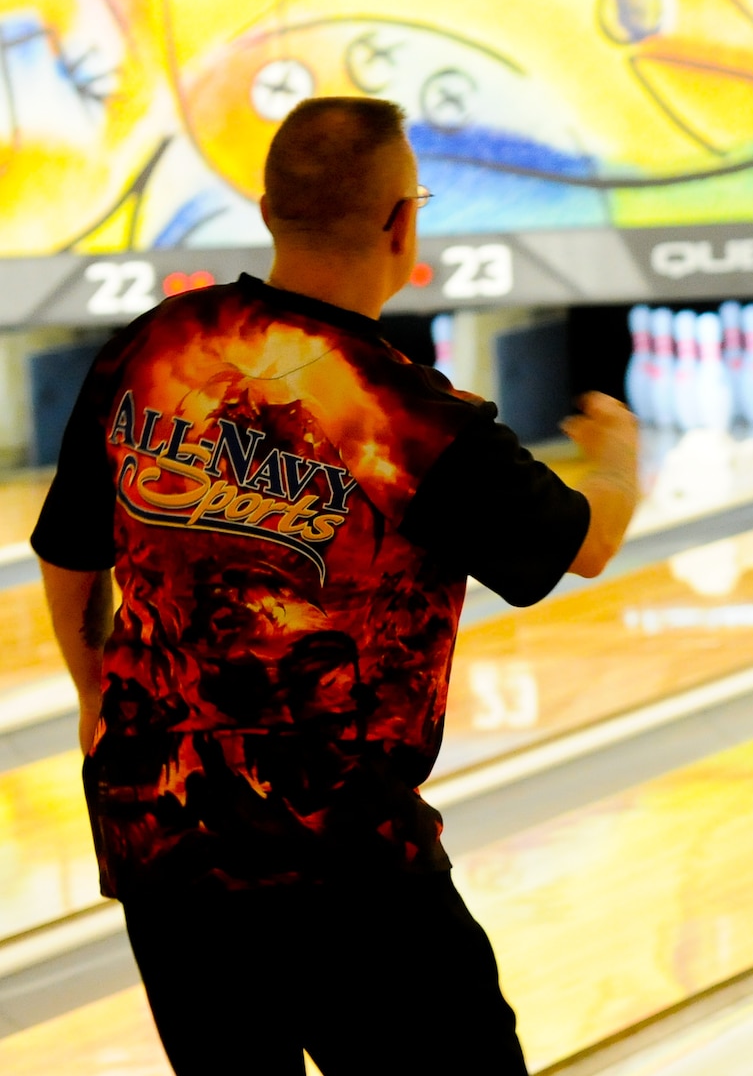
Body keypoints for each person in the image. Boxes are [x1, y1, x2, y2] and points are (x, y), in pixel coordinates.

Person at [31, 96, 639, 1076]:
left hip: (159, 840)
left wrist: (95, 691)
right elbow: (585, 542)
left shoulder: (154, 346)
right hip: (347, 867)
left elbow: (67, 549)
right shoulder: (409, 412)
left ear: (268, 211)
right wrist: (616, 460)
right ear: (404, 223)